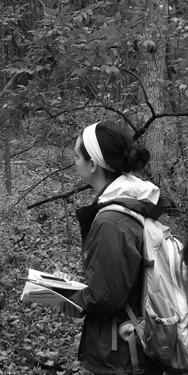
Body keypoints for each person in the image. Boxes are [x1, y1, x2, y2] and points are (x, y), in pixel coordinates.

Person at [59, 121, 165, 374]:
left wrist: (66, 294)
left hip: (122, 356)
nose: (74, 162)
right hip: (136, 344)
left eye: (77, 156)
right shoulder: (135, 202)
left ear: (93, 164)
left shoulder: (111, 221)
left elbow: (105, 297)